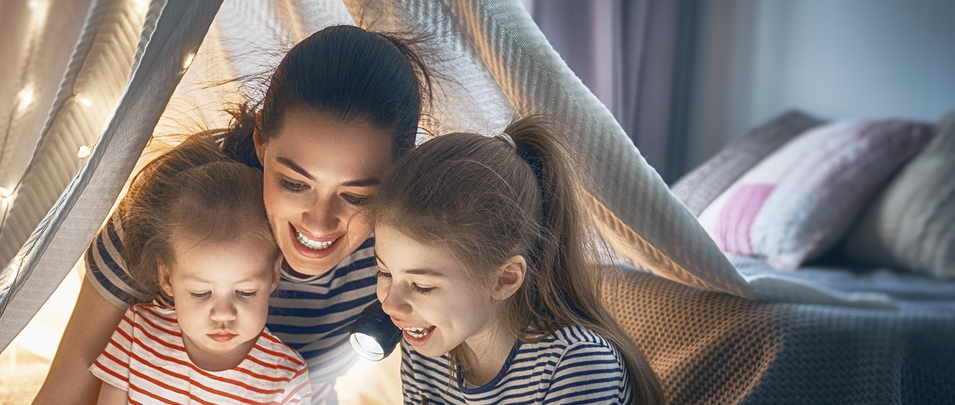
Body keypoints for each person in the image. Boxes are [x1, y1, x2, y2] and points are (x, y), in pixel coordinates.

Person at [35, 25, 430, 405]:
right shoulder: (179, 206)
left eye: (355, 195)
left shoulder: (417, 243)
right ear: (261, 143)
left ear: (399, 176)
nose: (319, 223)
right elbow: (71, 380)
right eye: (294, 183)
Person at [368, 118, 664, 404]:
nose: (390, 304)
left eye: (421, 286)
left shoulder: (575, 364)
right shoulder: (425, 350)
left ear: (504, 279)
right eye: (385, 272)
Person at [89, 138, 310, 405]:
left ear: (274, 275)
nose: (223, 313)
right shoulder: (138, 332)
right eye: (201, 293)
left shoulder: (285, 375)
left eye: (246, 292)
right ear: (167, 278)